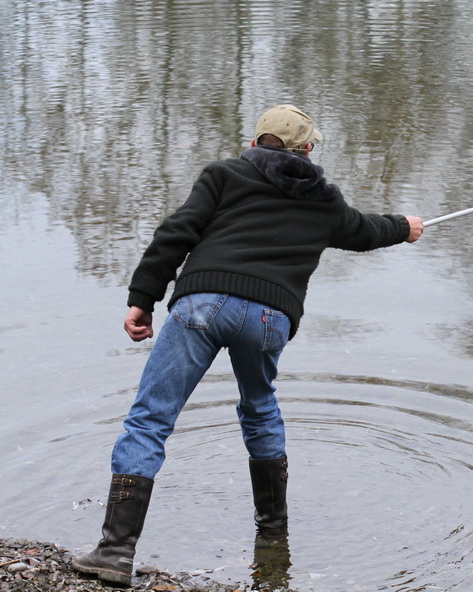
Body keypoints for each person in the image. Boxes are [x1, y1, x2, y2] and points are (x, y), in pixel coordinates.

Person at [72, 104, 424, 586]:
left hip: (202, 304)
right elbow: (364, 231)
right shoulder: (325, 200)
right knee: (259, 409)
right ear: (308, 149)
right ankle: (273, 535)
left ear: (256, 141)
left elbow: (176, 232)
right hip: (269, 318)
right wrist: (405, 227)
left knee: (151, 418)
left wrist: (142, 299)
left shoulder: (224, 175)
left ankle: (114, 552)